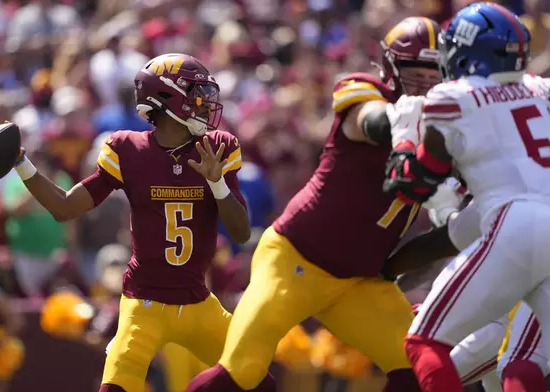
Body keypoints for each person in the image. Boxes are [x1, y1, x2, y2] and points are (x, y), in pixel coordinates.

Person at [186, 17, 443, 392]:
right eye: (413, 70)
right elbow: (369, 123)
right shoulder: (366, 92)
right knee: (243, 371)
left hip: (359, 281)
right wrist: (416, 117)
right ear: (390, 66)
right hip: (296, 261)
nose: (424, 81)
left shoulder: (450, 128)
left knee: (421, 369)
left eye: (432, 71)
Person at [7, 53, 273, 392]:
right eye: (196, 93)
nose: (206, 103)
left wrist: (217, 183)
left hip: (199, 303)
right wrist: (20, 162)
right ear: (166, 98)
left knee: (260, 381)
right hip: (143, 305)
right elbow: (65, 208)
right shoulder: (127, 150)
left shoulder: (217, 148)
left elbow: (238, 230)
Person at [382, 3, 550, 391]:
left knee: (424, 341)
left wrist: (405, 136)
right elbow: (455, 233)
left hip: (517, 229)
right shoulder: (540, 91)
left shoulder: (452, 98)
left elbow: (413, 184)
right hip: (527, 224)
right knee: (522, 367)